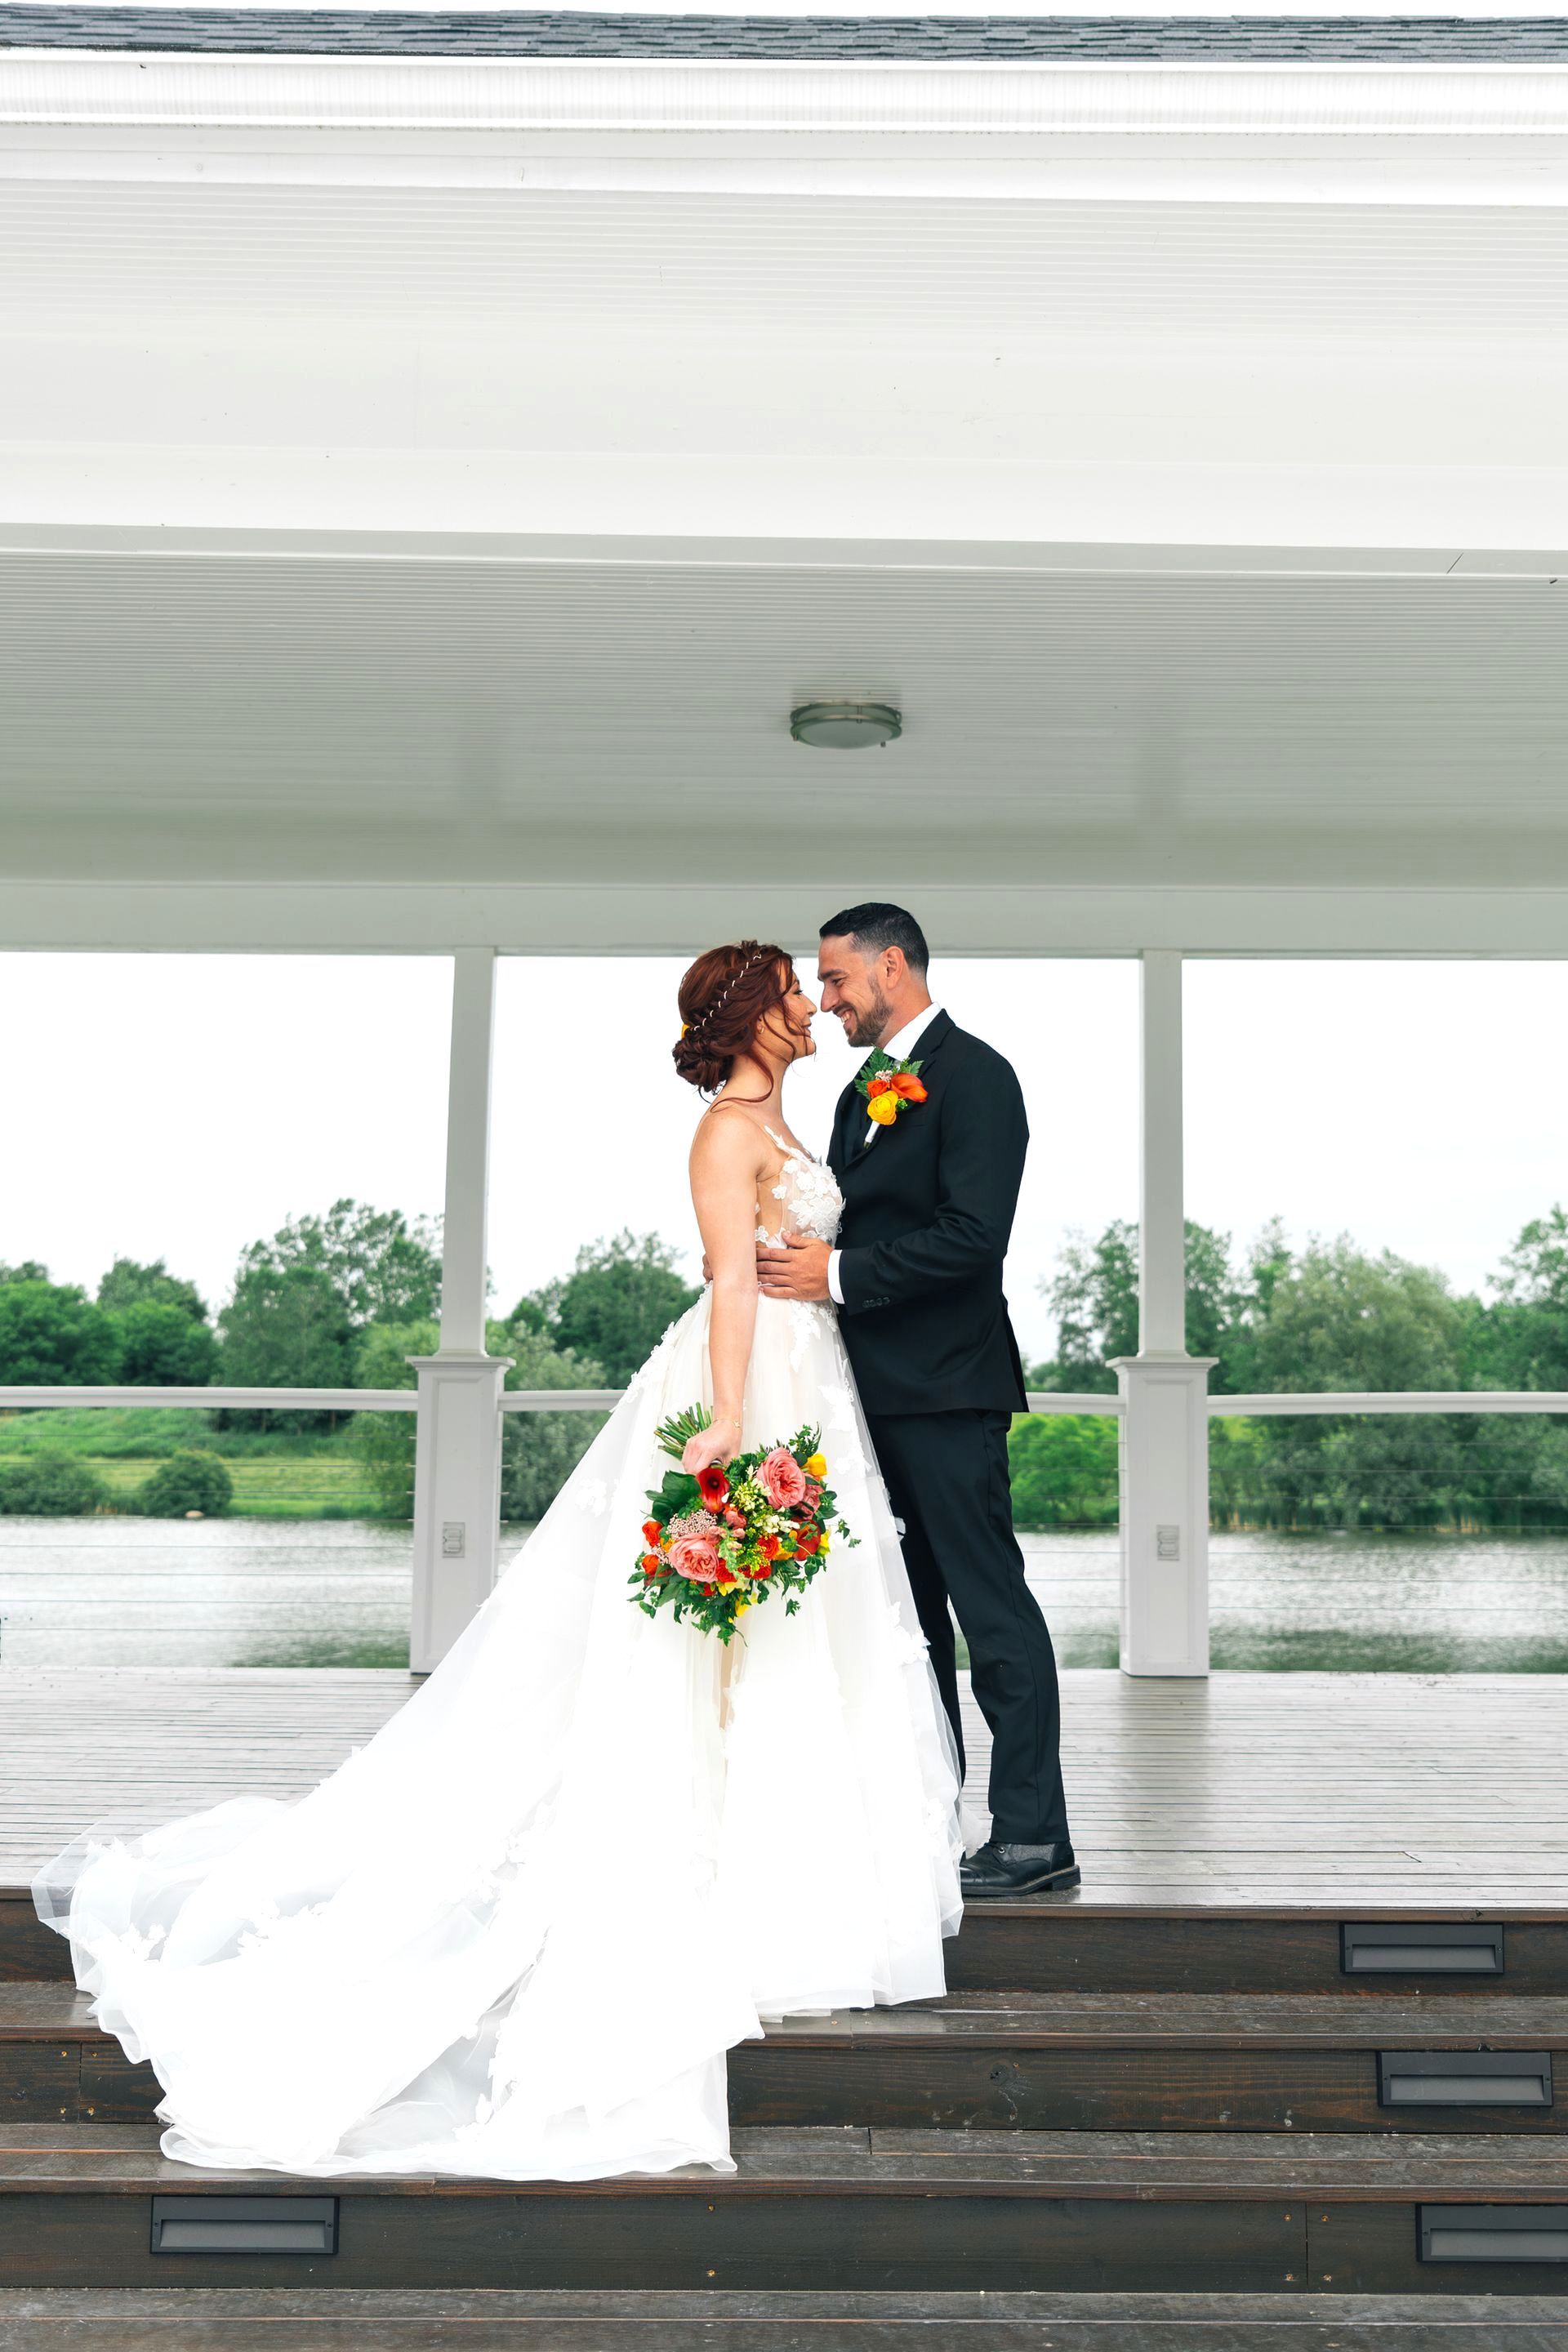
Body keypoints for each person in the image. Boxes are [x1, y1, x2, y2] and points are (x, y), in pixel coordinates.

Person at [33, 943, 960, 2185]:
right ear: (751, 1016)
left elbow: (797, 1266)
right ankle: (722, 1894)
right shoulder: (724, 1136)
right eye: (791, 991)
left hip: (813, 1378)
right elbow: (731, 1280)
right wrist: (730, 1423)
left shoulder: (799, 1125)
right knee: (721, 1638)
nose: (809, 1004)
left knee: (803, 1640)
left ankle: (790, 1897)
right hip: (754, 1388)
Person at [756, 904, 1076, 1896]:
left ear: (891, 966)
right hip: (864, 1404)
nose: (826, 999)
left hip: (947, 1392)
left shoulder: (979, 1077)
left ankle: (1032, 1839)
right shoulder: (860, 1095)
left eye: (837, 979)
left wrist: (837, 1277)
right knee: (912, 1627)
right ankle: (929, 1822)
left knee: (991, 1613)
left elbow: (975, 1238)